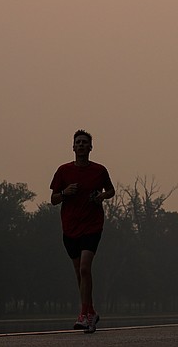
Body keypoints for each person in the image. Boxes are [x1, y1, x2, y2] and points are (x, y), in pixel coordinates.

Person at [50, 129, 115, 334]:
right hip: (70, 228)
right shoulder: (63, 171)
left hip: (92, 225)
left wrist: (101, 197)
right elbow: (53, 199)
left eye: (84, 142)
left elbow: (111, 190)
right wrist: (64, 192)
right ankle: (91, 312)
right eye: (77, 142)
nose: (81, 145)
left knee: (85, 269)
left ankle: (84, 314)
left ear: (90, 147)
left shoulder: (99, 170)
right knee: (79, 273)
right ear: (73, 147)